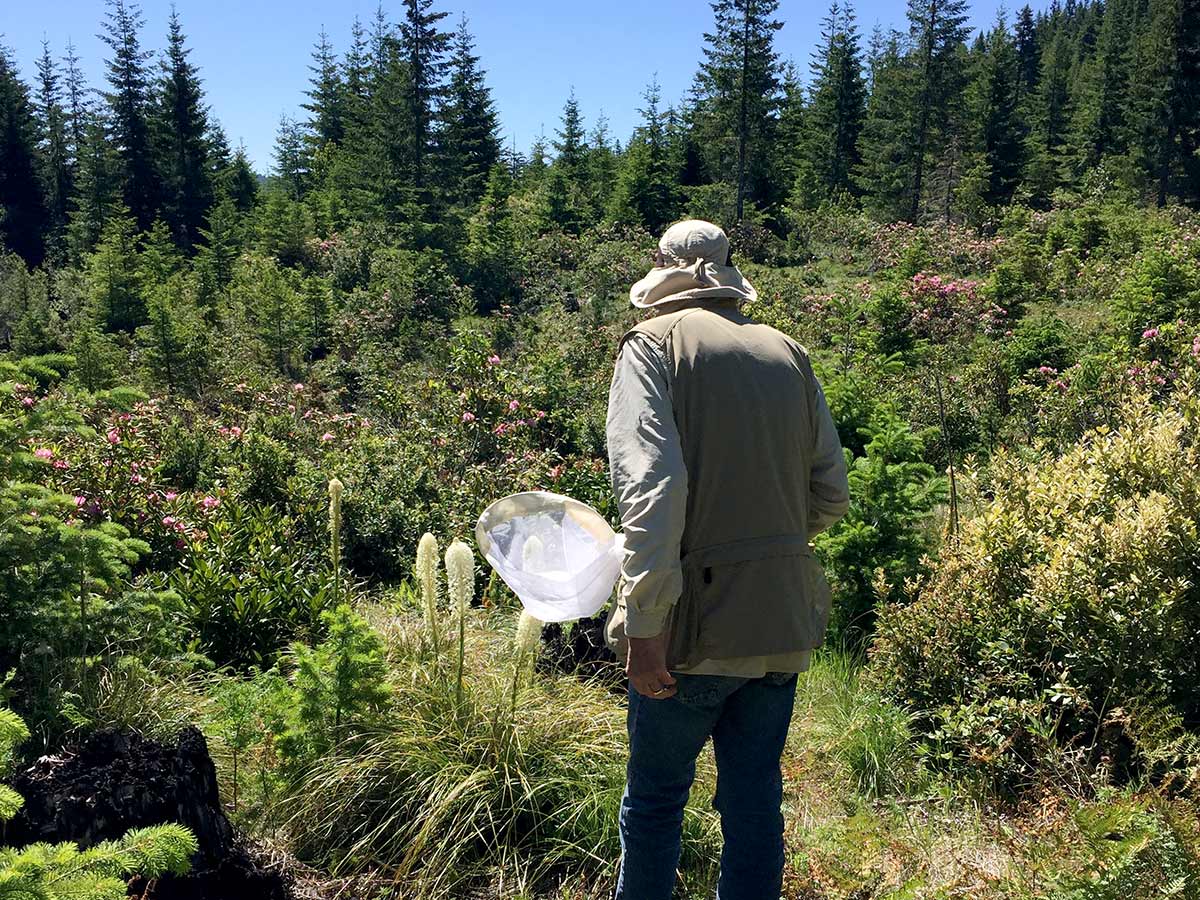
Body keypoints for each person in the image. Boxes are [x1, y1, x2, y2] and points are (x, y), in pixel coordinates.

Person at [604, 219, 850, 900]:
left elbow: (653, 492)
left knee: (655, 802)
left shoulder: (651, 346)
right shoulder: (786, 351)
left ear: (662, 271)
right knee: (754, 801)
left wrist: (645, 624)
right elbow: (830, 494)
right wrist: (764, 548)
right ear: (728, 273)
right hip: (781, 619)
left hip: (692, 625)